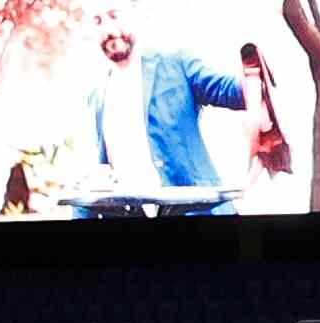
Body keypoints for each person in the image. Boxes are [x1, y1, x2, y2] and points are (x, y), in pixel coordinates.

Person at [71, 14, 287, 213]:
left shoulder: (175, 64)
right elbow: (99, 169)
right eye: (98, 21)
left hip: (197, 216)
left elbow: (230, 91)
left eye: (114, 15)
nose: (109, 29)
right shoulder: (97, 93)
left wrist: (254, 74)